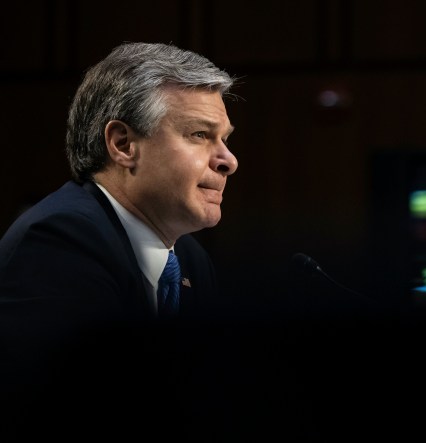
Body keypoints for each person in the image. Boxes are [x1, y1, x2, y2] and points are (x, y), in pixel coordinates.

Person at [0, 42, 256, 439]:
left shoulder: (189, 258)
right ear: (123, 144)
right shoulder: (60, 241)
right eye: (200, 134)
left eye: (224, 139)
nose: (229, 160)